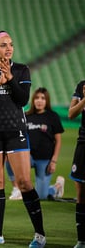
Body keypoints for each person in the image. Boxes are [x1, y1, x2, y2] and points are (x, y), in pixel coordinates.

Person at [0, 30, 46, 247]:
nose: (9, 48)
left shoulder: (22, 70)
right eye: (3, 45)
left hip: (16, 132)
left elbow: (22, 99)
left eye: (11, 44)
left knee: (24, 182)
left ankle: (40, 234)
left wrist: (11, 79)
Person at [6, 87, 65, 201]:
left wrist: (53, 161)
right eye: (37, 98)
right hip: (28, 157)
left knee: (41, 196)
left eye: (43, 98)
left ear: (46, 101)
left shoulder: (52, 116)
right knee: (10, 156)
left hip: (45, 160)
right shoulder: (26, 116)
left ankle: (56, 187)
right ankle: (17, 189)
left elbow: (58, 140)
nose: (39, 101)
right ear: (33, 100)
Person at [68, 80, 85, 248]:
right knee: (80, 190)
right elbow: (71, 114)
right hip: (83, 142)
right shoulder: (82, 85)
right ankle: (81, 240)